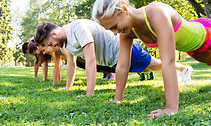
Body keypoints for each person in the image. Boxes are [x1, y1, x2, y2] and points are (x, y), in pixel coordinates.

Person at [92, 0, 211, 118]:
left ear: (124, 10)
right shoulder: (128, 32)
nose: (114, 32)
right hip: (192, 47)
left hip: (210, 33)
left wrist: (171, 107)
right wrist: (118, 99)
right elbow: (122, 65)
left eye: (115, 27)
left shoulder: (156, 12)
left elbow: (168, 62)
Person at [34, 19, 193, 97]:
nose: (52, 47)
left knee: (155, 65)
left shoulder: (78, 29)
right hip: (114, 60)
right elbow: (71, 65)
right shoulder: (65, 44)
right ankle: (181, 69)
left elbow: (91, 62)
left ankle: (184, 68)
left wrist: (89, 94)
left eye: (50, 43)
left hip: (122, 49)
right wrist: (68, 87)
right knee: (151, 67)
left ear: (54, 33)